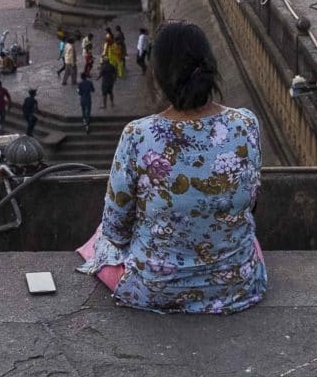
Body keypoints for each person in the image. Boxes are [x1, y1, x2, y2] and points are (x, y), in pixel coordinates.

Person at [77, 21, 266, 315]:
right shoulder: (245, 124)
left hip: (155, 289)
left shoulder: (138, 136)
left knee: (101, 238)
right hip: (237, 285)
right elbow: (250, 205)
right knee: (242, 234)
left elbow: (116, 230)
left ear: (159, 75)